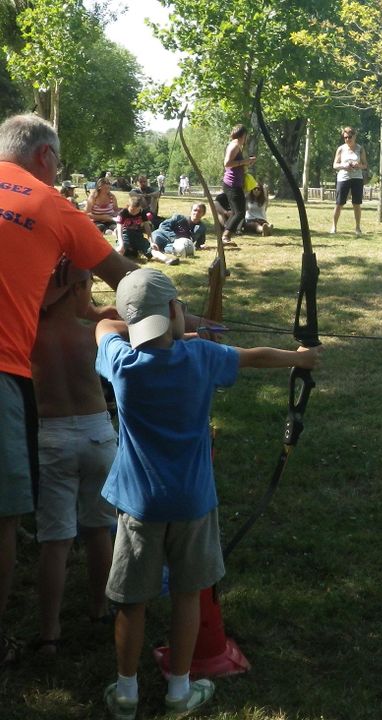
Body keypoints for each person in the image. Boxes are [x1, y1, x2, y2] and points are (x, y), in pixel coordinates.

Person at [95, 268, 320, 718]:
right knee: (186, 595)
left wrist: (149, 322)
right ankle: (179, 692)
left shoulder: (120, 362)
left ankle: (125, 694)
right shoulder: (201, 357)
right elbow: (254, 357)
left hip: (140, 504)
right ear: (175, 309)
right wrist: (301, 359)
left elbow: (103, 327)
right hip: (193, 502)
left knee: (131, 602)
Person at [0, 112, 139, 666]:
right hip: (7, 376)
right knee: (6, 517)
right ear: (44, 158)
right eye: (57, 164)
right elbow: (125, 278)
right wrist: (176, 314)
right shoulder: (54, 206)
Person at [31, 257, 119, 654]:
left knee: (56, 540)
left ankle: (49, 632)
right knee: (98, 529)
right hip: (98, 434)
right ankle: (99, 609)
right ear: (79, 290)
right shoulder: (92, 335)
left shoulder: (28, 333)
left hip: (52, 439)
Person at [118, 195, 179, 266]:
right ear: (127, 206)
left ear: (140, 208)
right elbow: (119, 230)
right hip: (126, 235)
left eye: (137, 210)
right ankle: (115, 262)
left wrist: (151, 242)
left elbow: (147, 228)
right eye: (132, 210)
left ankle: (167, 260)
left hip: (138, 236)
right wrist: (121, 243)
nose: (134, 213)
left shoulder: (142, 212)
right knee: (120, 250)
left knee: (152, 249)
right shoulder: (123, 213)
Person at [221, 125, 256, 247]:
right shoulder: (235, 145)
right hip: (232, 184)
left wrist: (246, 163)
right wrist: (245, 161)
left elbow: (235, 164)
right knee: (240, 212)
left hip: (235, 183)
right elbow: (227, 163)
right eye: (246, 136)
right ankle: (225, 237)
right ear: (243, 135)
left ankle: (226, 233)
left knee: (237, 212)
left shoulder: (236, 146)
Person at [330, 126, 367, 237]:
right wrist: (344, 166)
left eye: (349, 137)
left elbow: (365, 165)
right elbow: (335, 165)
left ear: (354, 136)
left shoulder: (360, 149)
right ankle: (334, 226)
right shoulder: (341, 149)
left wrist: (358, 165)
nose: (347, 139)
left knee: (356, 204)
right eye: (345, 137)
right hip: (343, 178)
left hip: (357, 178)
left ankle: (357, 228)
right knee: (339, 203)